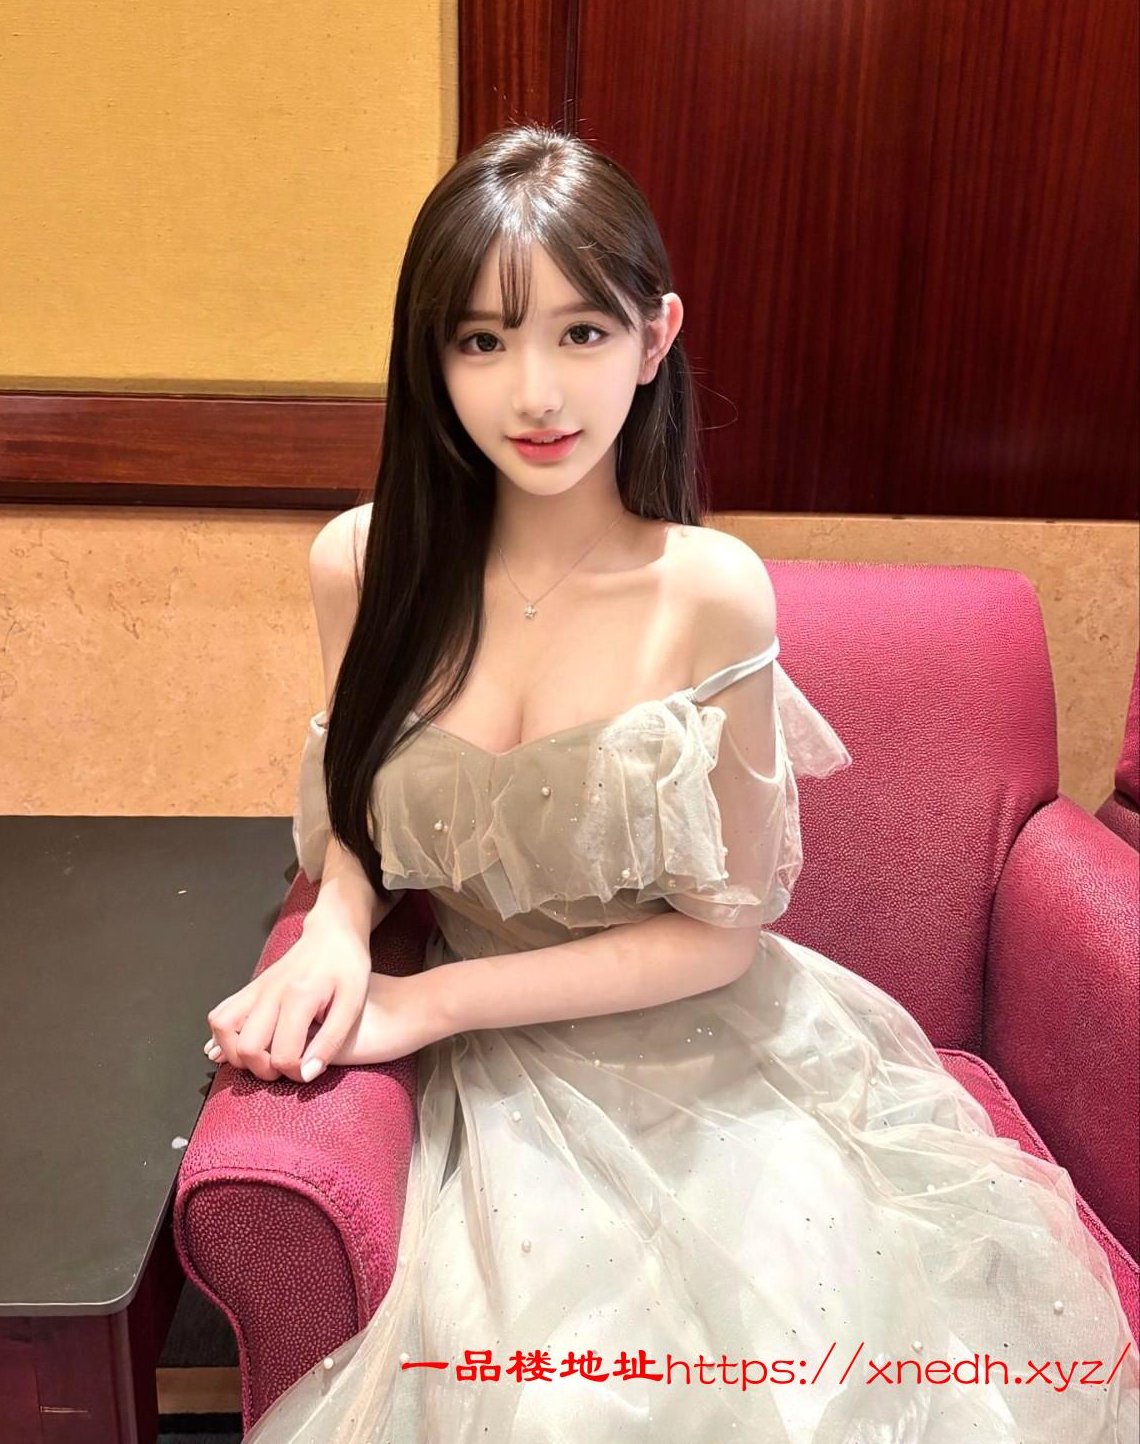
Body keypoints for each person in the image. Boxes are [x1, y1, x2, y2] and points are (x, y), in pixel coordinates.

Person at [205, 124, 1138, 1441]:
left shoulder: (710, 592)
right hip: (488, 1082)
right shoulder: (359, 565)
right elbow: (359, 799)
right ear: (432, 358)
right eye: (483, 340)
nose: (536, 391)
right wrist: (340, 930)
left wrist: (425, 1004)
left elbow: (721, 934)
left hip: (701, 1058)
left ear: (656, 339)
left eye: (581, 332)